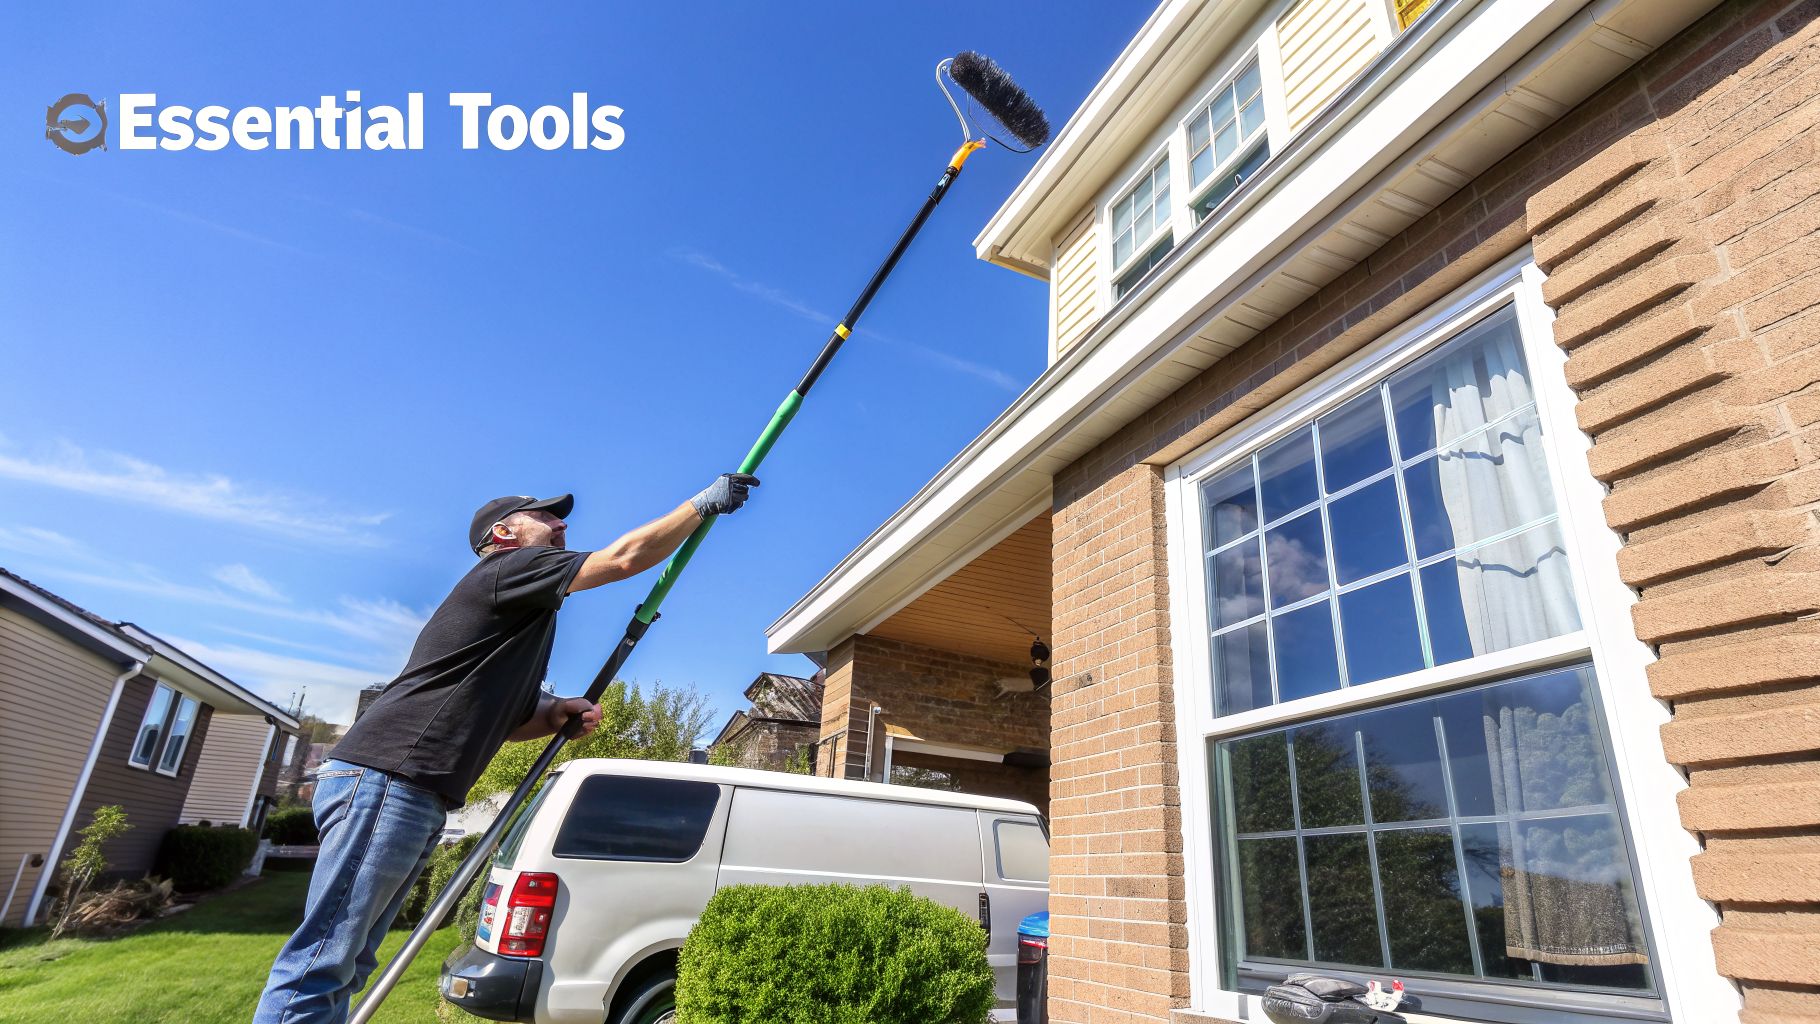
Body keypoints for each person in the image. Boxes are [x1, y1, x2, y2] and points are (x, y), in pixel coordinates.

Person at [253, 473, 759, 1024]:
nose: (561, 523)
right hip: (387, 777)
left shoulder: (521, 616)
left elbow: (511, 720)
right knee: (322, 961)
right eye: (546, 515)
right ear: (504, 533)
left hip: (410, 791)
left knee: (349, 962)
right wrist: (701, 506)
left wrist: (554, 713)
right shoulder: (505, 571)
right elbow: (623, 558)